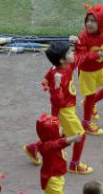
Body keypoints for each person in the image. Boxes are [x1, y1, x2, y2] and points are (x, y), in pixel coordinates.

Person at [23, 41, 93, 175]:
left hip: (65, 109)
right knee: (80, 135)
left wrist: (78, 44)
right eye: (70, 52)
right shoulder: (59, 76)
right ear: (62, 59)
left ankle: (33, 147)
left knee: (60, 134)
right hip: (64, 110)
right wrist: (57, 85)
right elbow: (57, 100)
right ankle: (75, 165)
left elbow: (80, 56)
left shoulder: (64, 65)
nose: (73, 53)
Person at [30, 114, 83, 194]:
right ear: (51, 132)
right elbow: (61, 143)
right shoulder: (48, 145)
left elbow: (61, 139)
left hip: (55, 177)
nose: (61, 129)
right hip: (52, 179)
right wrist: (74, 138)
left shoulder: (48, 141)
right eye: (58, 128)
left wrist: (69, 133)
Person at [76, 4, 103, 135]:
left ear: (101, 22)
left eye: (93, 21)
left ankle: (89, 104)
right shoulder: (82, 37)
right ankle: (86, 123)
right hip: (87, 72)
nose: (89, 24)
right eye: (88, 20)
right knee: (90, 95)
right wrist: (99, 54)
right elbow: (81, 57)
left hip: (100, 68)